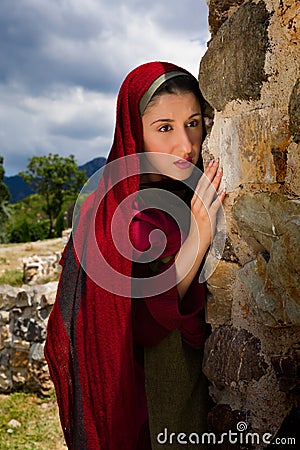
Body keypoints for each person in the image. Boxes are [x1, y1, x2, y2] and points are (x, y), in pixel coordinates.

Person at [45, 61, 225, 450]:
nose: (186, 145)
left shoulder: (183, 193)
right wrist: (196, 239)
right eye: (165, 128)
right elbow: (138, 323)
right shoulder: (111, 211)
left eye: (193, 123)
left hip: (188, 392)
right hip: (141, 403)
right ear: (133, 131)